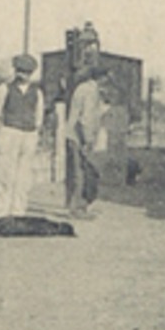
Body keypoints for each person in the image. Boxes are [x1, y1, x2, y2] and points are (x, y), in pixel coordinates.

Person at [0, 54, 45, 220]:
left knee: (24, 176)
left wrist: (35, 131)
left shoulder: (37, 92)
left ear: (31, 73)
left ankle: (19, 212)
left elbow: (39, 115)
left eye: (26, 72)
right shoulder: (4, 88)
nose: (22, 75)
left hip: (29, 135)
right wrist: (1, 128)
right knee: (5, 175)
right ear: (15, 70)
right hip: (10, 133)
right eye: (20, 71)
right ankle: (1, 213)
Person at [65, 65, 103, 218]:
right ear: (101, 78)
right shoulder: (90, 91)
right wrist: (88, 141)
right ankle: (77, 209)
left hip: (76, 134)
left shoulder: (84, 88)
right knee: (82, 173)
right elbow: (85, 118)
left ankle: (80, 206)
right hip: (79, 136)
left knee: (82, 172)